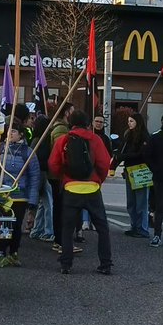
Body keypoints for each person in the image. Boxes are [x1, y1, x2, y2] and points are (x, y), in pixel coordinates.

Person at [48, 109, 112, 275]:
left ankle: (66, 264)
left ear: (71, 123)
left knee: (67, 229)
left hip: (71, 188)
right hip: (92, 188)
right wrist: (98, 180)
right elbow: (105, 163)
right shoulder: (96, 140)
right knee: (102, 228)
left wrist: (63, 177)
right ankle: (105, 263)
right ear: (88, 124)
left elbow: (53, 164)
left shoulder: (64, 140)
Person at [0, 120, 40, 266]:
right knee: (2, 225)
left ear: (20, 134)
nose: (10, 134)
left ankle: (13, 253)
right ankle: (1, 253)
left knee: (16, 226)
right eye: (8, 131)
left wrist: (32, 200)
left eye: (13, 131)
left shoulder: (28, 152)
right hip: (1, 195)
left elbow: (34, 176)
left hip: (19, 196)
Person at [113, 112, 150, 238]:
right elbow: (122, 148)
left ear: (138, 122)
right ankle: (134, 226)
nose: (129, 123)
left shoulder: (144, 136)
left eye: (132, 121)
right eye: (128, 121)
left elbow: (142, 154)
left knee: (141, 201)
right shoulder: (128, 135)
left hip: (140, 170)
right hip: (129, 170)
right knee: (131, 202)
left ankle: (142, 228)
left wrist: (124, 156)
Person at [48, 102, 76, 254]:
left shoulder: (61, 128)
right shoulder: (61, 129)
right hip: (58, 176)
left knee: (60, 208)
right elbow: (61, 152)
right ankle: (59, 241)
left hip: (58, 175)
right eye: (72, 111)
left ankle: (60, 240)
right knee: (60, 208)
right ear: (66, 113)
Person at [28, 114, 54, 241]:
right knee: (46, 203)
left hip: (39, 173)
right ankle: (46, 230)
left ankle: (41, 229)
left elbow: (31, 160)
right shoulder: (48, 139)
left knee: (44, 203)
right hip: (46, 173)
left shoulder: (36, 140)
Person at [146, 113, 163, 247]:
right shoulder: (156, 137)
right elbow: (147, 155)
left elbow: (148, 156)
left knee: (160, 207)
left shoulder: (155, 137)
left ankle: (157, 235)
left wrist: (154, 168)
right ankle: (157, 234)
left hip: (159, 176)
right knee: (160, 207)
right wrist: (155, 169)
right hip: (159, 177)